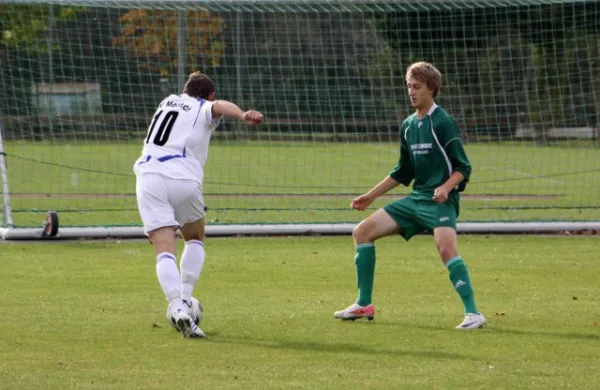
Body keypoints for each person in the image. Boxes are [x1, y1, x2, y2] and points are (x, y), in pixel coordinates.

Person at [334, 62, 486, 329]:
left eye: (417, 87)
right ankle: (364, 304)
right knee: (362, 232)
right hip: (416, 201)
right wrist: (370, 196)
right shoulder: (407, 125)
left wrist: (446, 188)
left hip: (440, 202)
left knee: (446, 249)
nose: (411, 92)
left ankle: (473, 313)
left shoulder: (443, 122)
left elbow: (463, 167)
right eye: (408, 86)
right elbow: (403, 172)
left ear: (432, 89)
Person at [134, 72, 264, 338]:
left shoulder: (167, 102)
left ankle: (177, 307)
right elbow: (219, 107)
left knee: (164, 248)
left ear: (184, 90)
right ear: (210, 95)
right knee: (194, 238)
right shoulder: (203, 106)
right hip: (182, 177)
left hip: (147, 176)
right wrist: (242, 114)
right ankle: (185, 296)